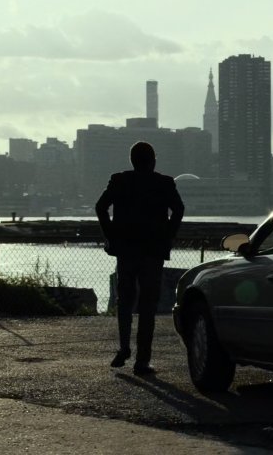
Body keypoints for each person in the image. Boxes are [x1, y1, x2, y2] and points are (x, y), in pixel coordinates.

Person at [95, 141, 184, 376]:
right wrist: (168, 235)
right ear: (153, 161)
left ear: (132, 161)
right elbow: (179, 209)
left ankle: (124, 347)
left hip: (126, 250)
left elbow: (100, 207)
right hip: (153, 252)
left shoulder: (120, 180)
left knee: (124, 301)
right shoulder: (164, 183)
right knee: (147, 306)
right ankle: (142, 361)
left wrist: (111, 235)